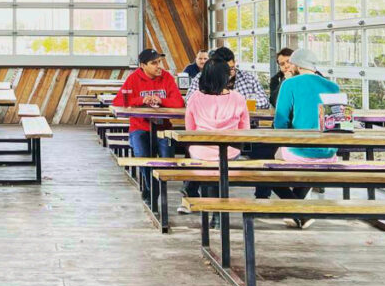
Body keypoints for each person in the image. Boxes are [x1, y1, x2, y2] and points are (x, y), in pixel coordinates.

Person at [271, 47, 341, 228]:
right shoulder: (333, 86)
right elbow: (339, 124)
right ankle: (298, 212)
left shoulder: (289, 85)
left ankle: (298, 210)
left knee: (265, 173)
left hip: (298, 152)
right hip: (328, 153)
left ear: (297, 64)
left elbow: (280, 123)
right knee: (312, 167)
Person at [183, 57, 250, 223]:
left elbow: (189, 130)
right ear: (225, 77)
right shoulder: (239, 99)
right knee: (220, 167)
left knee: (209, 165)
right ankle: (219, 215)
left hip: (201, 152)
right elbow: (245, 131)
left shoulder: (195, 98)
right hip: (230, 153)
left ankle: (214, 212)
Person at [113, 48, 184, 201]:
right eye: (154, 63)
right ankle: (151, 187)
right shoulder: (133, 79)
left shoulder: (167, 77)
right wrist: (141, 100)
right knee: (143, 157)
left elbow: (179, 102)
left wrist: (161, 100)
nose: (159, 66)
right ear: (143, 65)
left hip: (163, 128)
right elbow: (118, 102)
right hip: (139, 126)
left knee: (167, 162)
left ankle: (155, 187)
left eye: (160, 62)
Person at [188, 47, 269, 110]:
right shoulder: (201, 77)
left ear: (234, 62)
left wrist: (233, 105)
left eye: (231, 68)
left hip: (245, 128)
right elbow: (189, 100)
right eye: (224, 70)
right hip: (212, 127)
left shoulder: (248, 79)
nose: (229, 72)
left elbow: (264, 102)